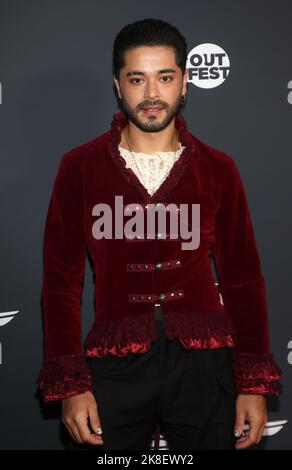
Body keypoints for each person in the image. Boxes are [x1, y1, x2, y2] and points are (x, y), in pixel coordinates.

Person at [37, 18, 282, 451]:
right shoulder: (78, 167)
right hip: (113, 369)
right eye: (138, 79)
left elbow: (244, 282)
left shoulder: (218, 168)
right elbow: (61, 284)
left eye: (165, 77)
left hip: (205, 366)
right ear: (118, 85)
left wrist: (253, 384)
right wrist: (71, 384)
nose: (152, 94)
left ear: (184, 83)